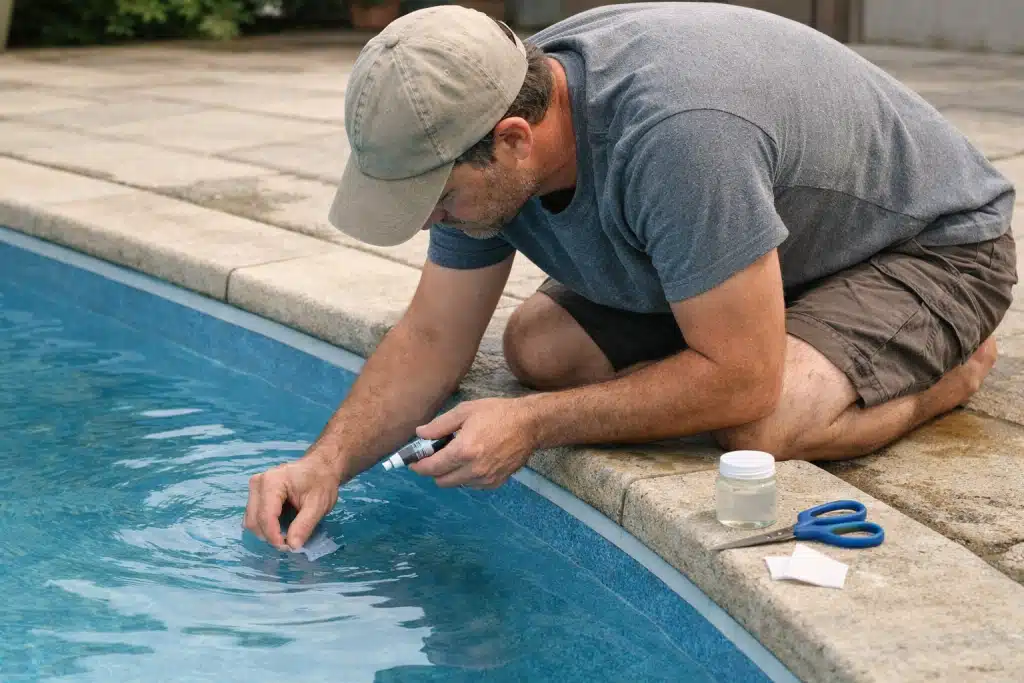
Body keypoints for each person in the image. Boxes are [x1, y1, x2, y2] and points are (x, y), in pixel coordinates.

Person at [244, 3, 1017, 551]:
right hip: (784, 245)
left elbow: (744, 383)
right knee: (541, 347)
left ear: (513, 140)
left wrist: (534, 423)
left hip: (930, 246)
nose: (427, 222)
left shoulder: (678, 137)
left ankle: (950, 370)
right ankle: (758, 310)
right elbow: (432, 337)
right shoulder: (481, 100)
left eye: (437, 199)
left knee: (759, 426)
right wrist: (323, 463)